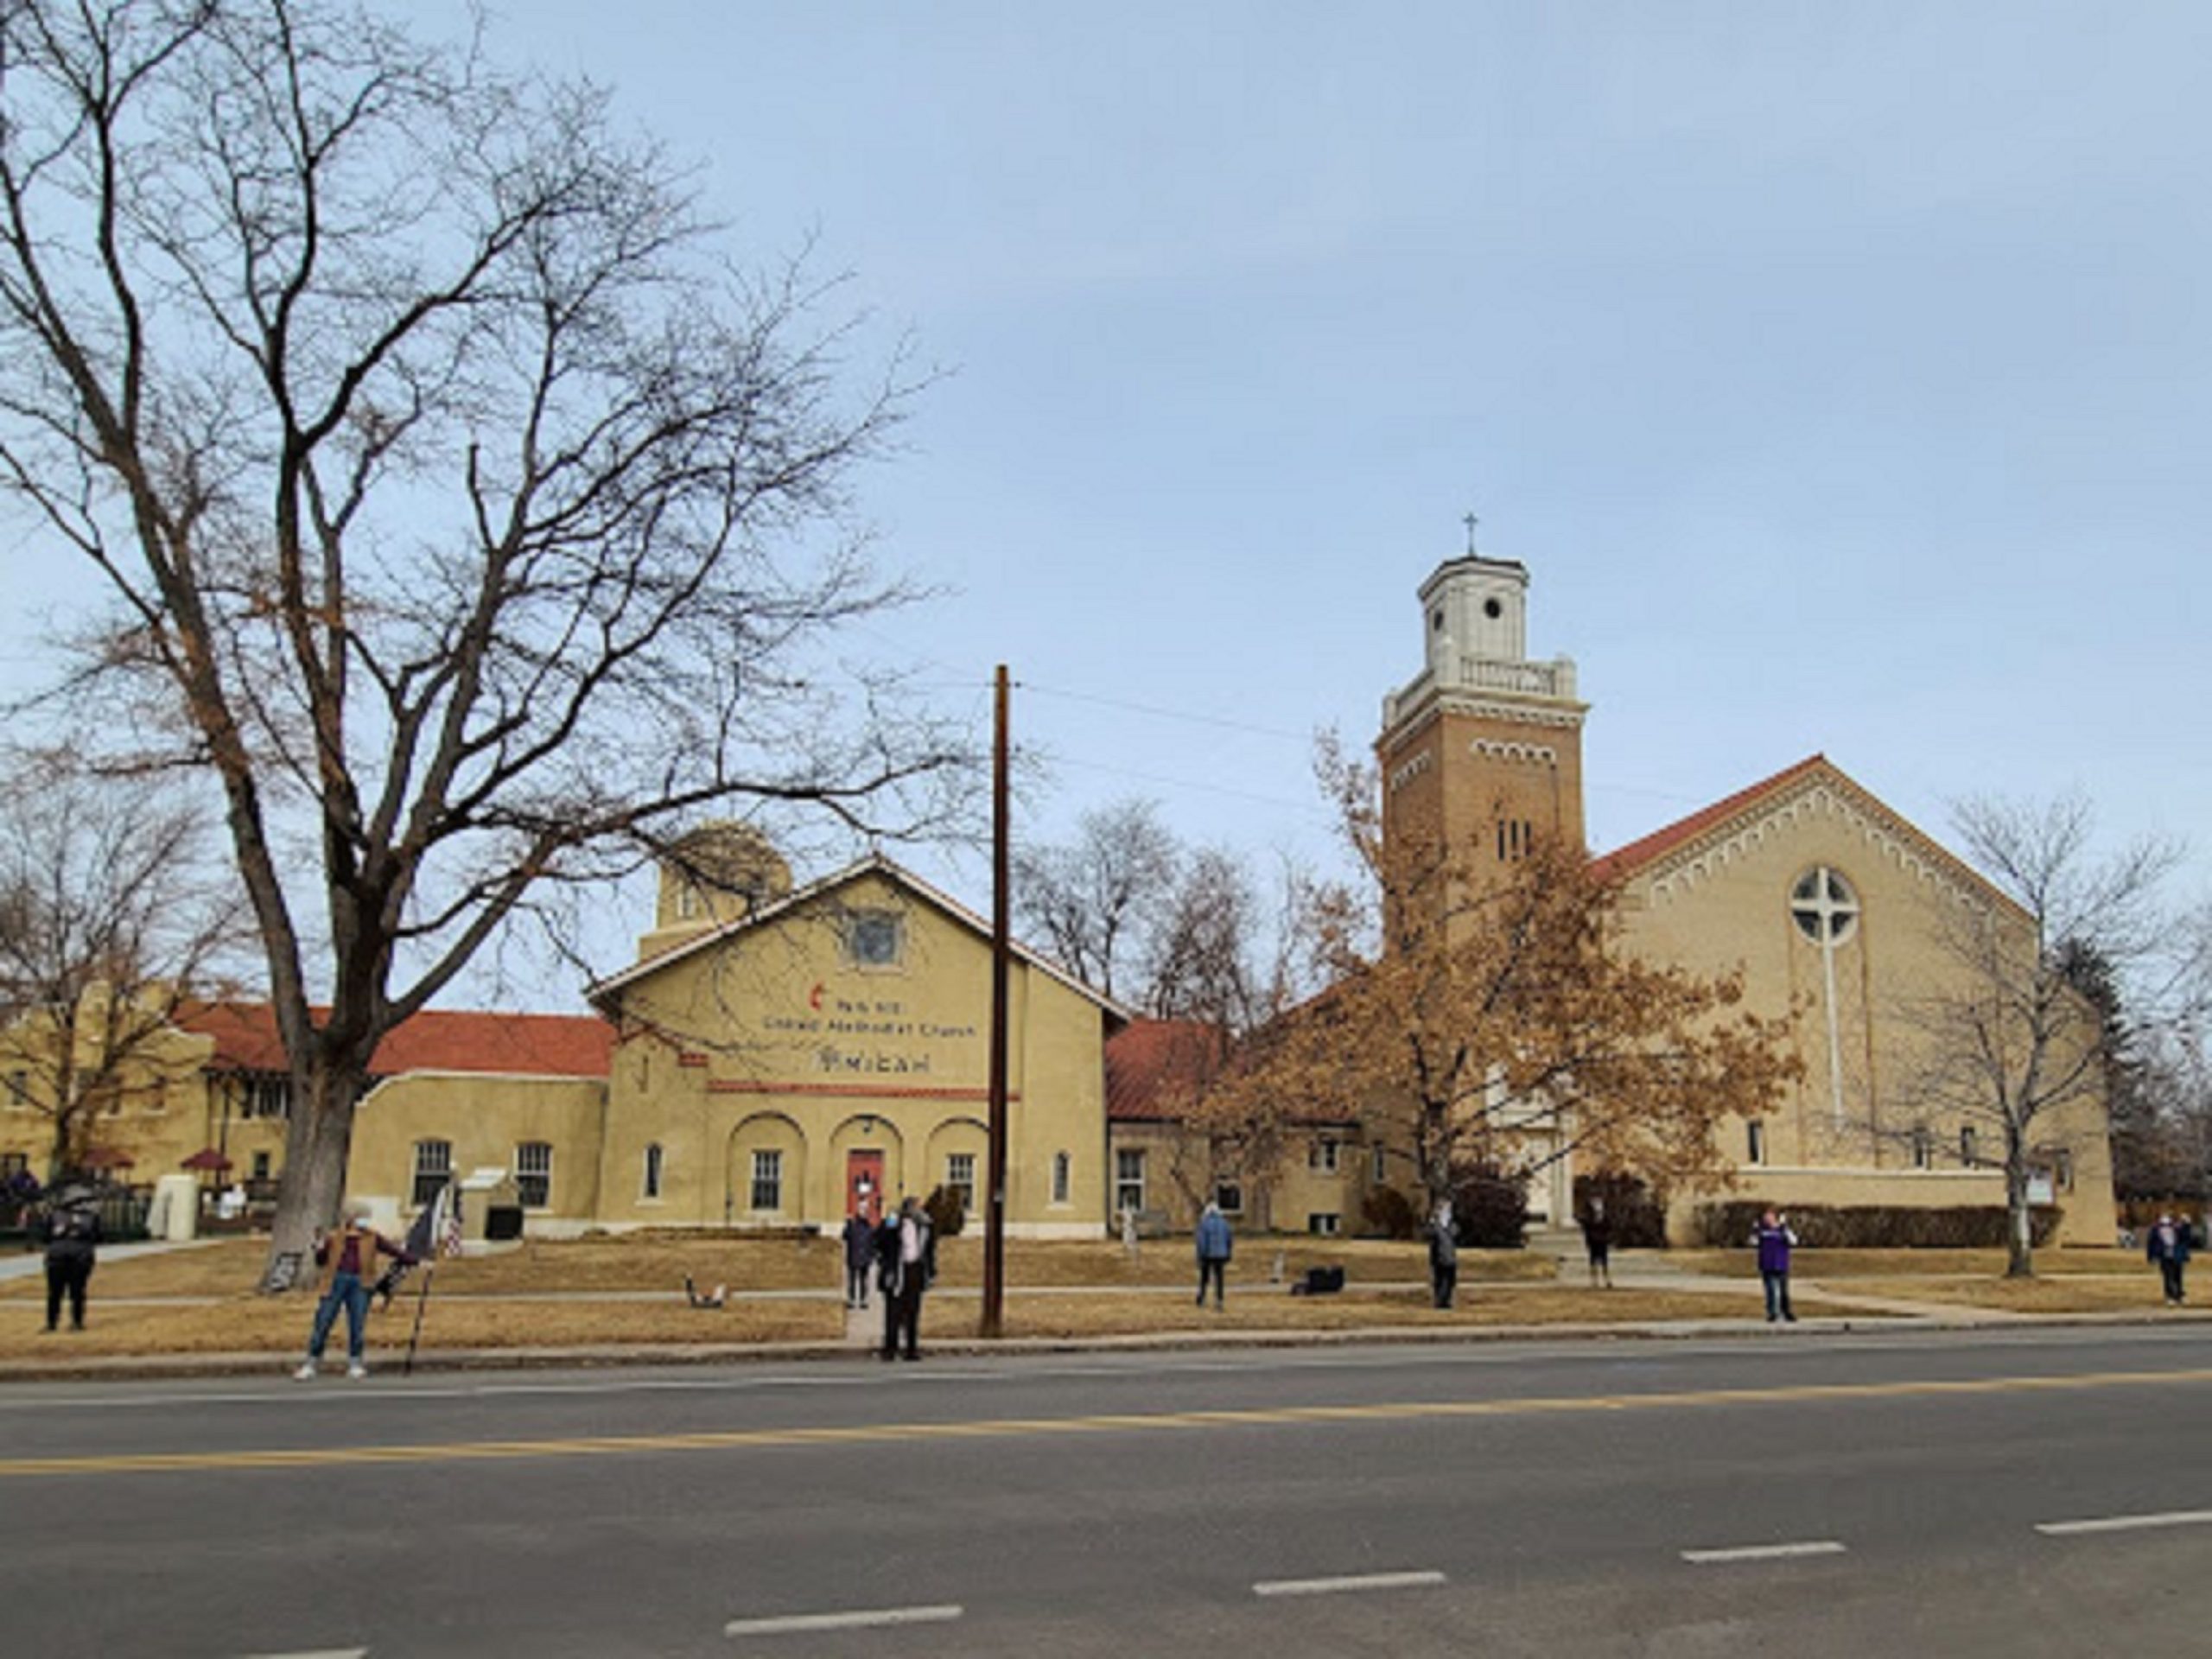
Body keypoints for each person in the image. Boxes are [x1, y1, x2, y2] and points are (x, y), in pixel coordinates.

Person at [294, 1205, 416, 1380]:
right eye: (362, 1217)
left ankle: (355, 1363)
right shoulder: (335, 1237)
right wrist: (320, 1250)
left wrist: (415, 1260)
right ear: (351, 1219)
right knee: (323, 1321)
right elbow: (321, 1261)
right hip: (335, 1281)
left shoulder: (372, 1237)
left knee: (357, 1324)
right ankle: (311, 1362)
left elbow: (394, 1251)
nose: (365, 1221)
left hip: (361, 1282)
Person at [879, 1195, 937, 1361]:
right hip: (897, 1271)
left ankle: (911, 1349)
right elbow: (881, 1241)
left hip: (915, 1270)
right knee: (893, 1313)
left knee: (913, 1312)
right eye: (916, 1206)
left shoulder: (924, 1226)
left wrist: (930, 1272)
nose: (919, 1209)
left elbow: (929, 1251)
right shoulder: (895, 1224)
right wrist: (889, 1222)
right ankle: (890, 1349)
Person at [36, 1185, 101, 1333]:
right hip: (58, 1257)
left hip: (80, 1257)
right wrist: (60, 1233)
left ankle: (77, 1321)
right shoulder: (55, 1215)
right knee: (55, 1292)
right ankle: (51, 1322)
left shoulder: (91, 1217)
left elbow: (98, 1236)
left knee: (77, 1291)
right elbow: (45, 1236)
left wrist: (81, 1232)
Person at [1752, 1207, 1797, 1323]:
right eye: (1765, 1217)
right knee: (1771, 1290)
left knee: (1783, 1291)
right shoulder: (1762, 1231)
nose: (1767, 1219)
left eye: (1769, 1216)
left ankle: (1786, 1311)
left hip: (1781, 1264)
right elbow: (1753, 1242)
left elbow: (1793, 1241)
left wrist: (1784, 1228)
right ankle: (1772, 1312)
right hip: (1767, 1264)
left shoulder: (1782, 1230)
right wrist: (1756, 1231)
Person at [2146, 1211, 2193, 1306]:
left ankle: (2179, 1295)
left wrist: (2187, 1225)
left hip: (2176, 1255)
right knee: (2168, 1276)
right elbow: (2151, 1244)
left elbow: (2185, 1237)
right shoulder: (2155, 1230)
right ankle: (2170, 1296)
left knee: (2178, 1276)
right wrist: (2151, 1257)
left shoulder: (2176, 1228)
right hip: (2164, 1256)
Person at [1194, 1201, 1233, 1308]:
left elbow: (1201, 1241)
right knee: (1219, 1278)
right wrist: (1228, 1253)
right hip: (1221, 1254)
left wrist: (1200, 1255)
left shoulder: (1204, 1224)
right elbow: (1229, 1239)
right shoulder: (1225, 1223)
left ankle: (1202, 1297)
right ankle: (1219, 1299)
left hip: (1208, 1254)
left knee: (1204, 1277)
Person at [842, 1208, 878, 1310]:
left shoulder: (867, 1228)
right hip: (857, 1257)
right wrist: (848, 1224)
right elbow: (845, 1236)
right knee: (856, 1280)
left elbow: (873, 1243)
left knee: (861, 1280)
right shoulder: (855, 1227)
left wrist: (872, 1255)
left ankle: (860, 1299)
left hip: (860, 1257)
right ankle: (855, 1299)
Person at [1427, 1202, 1458, 1310]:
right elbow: (1430, 1235)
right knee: (1440, 1280)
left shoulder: (1451, 1226)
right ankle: (1440, 1301)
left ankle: (1447, 1300)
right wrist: (1433, 1223)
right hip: (1439, 1259)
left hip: (1451, 1259)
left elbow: (1456, 1233)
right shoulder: (1436, 1226)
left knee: (1450, 1282)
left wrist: (1449, 1224)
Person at [1580, 1198, 1614, 1288]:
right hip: (1594, 1242)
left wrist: (1608, 1240)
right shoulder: (1589, 1219)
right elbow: (1587, 1231)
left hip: (1602, 1242)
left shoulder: (1606, 1218)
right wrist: (1588, 1241)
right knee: (1593, 1261)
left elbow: (1609, 1229)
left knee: (1604, 1261)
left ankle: (1607, 1280)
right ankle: (1594, 1280)